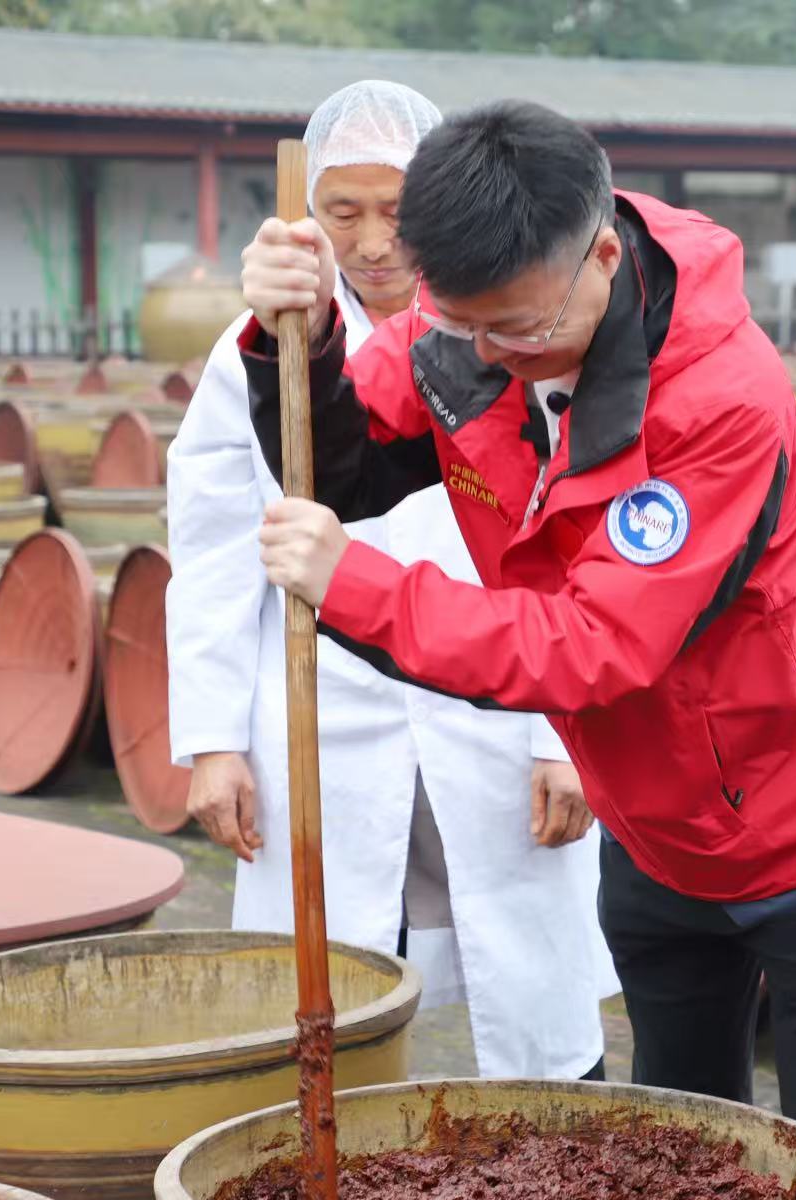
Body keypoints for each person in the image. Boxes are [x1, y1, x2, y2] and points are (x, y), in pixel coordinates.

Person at [237, 100, 796, 1200]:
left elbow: (595, 645)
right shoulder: (461, 329)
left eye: (522, 328)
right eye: (463, 326)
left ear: (602, 251)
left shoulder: (717, 400)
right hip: (653, 821)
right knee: (674, 1143)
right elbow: (339, 458)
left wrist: (357, 583)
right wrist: (282, 337)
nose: (491, 356)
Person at [165, 80, 618, 1083]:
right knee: (330, 989)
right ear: (305, 217)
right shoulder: (254, 355)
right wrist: (210, 741)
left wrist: (562, 736)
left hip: (495, 701)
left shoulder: (516, 330)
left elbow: (575, 546)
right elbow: (207, 547)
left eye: (394, 209)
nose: (371, 242)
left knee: (530, 982)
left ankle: (554, 1145)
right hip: (322, 712)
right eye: (343, 212)